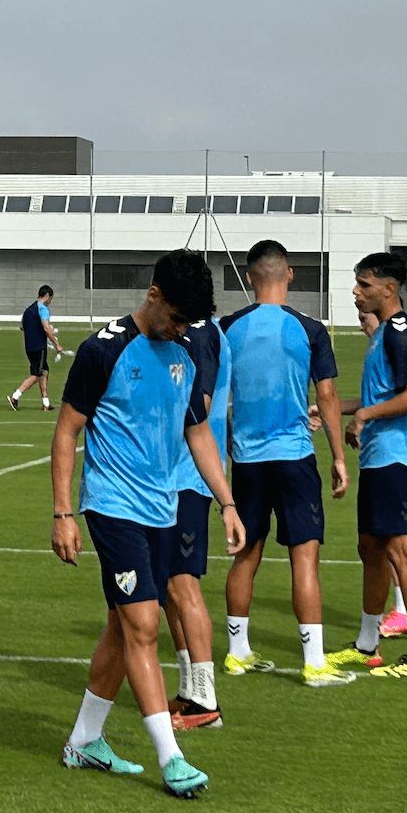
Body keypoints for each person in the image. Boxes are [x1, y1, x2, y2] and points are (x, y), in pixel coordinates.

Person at [50, 249, 242, 799]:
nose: (183, 329)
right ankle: (172, 758)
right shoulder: (102, 350)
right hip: (113, 508)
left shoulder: (182, 349)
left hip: (163, 509)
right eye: (178, 317)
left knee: (120, 626)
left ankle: (85, 739)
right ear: (153, 294)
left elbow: (197, 431)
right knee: (143, 628)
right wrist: (64, 513)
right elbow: (66, 433)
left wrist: (226, 503)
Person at [216, 241, 356, 687]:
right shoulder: (310, 328)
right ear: (289, 274)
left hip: (247, 462)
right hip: (295, 457)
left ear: (249, 276)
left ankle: (237, 653)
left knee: (245, 557)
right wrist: (337, 455)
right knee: (305, 560)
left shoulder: (227, 328)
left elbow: (215, 401)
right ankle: (313, 662)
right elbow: (328, 395)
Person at [345, 253, 407, 679]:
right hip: (380, 456)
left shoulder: (400, 331)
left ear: (389, 288)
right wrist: (336, 409)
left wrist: (363, 416)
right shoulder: (384, 334)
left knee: (402, 551)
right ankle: (367, 645)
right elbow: (382, 394)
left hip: (399, 454)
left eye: (364, 284)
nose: (356, 292)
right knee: (372, 549)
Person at [163, 308, 231, 727]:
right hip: (177, 476)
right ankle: (190, 691)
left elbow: (197, 406)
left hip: (188, 476)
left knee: (183, 585)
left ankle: (205, 702)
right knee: (169, 588)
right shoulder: (206, 331)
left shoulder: (200, 334)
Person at [9, 284, 65, 411]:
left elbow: (22, 327)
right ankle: (15, 396)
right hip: (39, 346)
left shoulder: (28, 310)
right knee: (36, 374)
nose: (50, 301)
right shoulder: (43, 309)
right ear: (47, 296)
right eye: (51, 298)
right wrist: (56, 344)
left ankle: (45, 403)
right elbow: (46, 328)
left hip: (29, 347)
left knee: (44, 371)